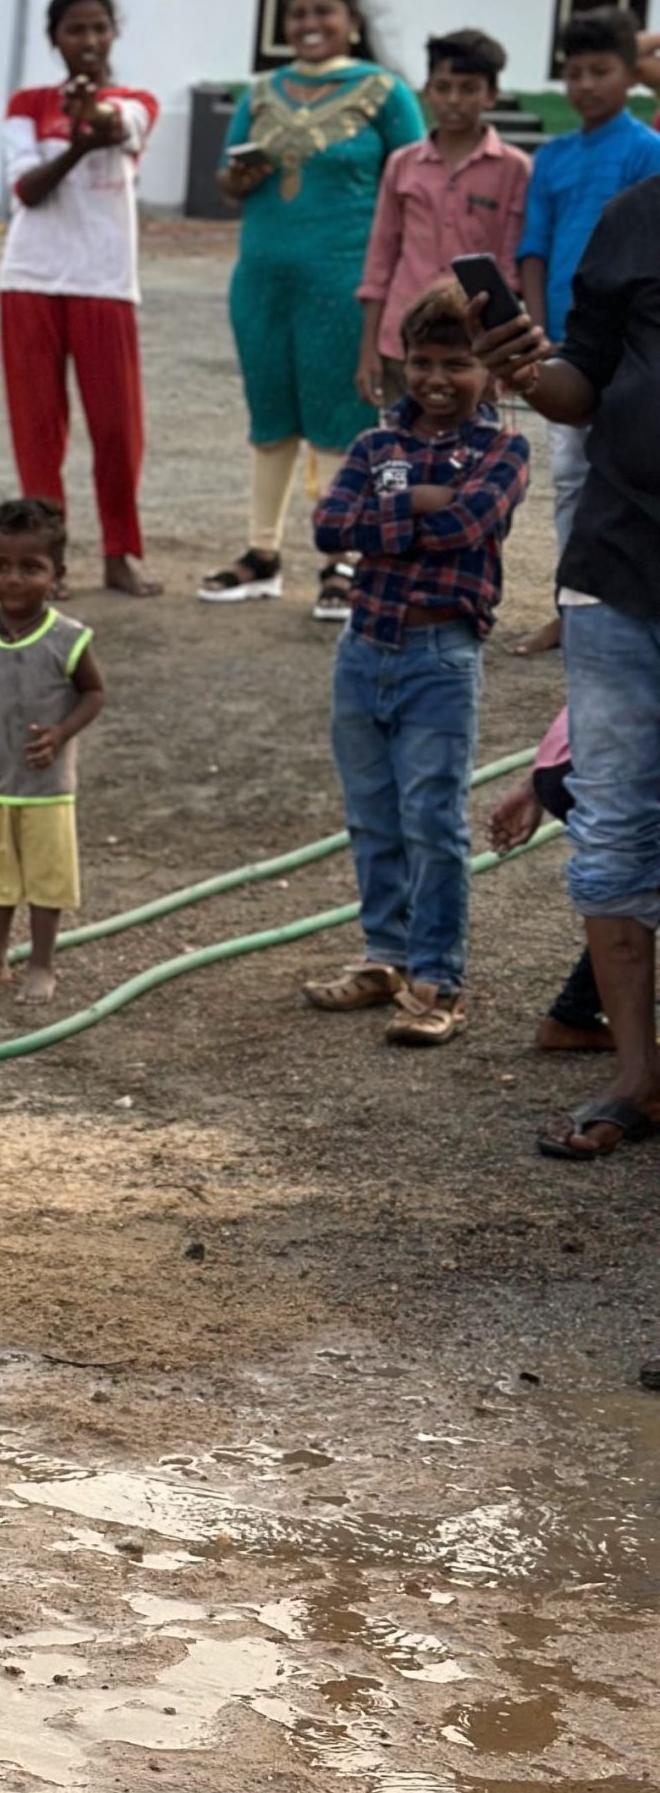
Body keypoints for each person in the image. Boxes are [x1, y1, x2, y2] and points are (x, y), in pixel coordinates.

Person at [473, 176, 660, 1157]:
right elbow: (580, 388)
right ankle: (636, 1074)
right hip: (618, 570)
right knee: (613, 828)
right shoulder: (633, 214)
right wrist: (524, 370)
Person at [303, 285, 528, 1047]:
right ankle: (384, 956)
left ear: (489, 372)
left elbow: (470, 524)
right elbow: (329, 527)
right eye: (423, 361)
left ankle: (439, 977)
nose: (437, 378)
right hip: (363, 648)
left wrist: (391, 521)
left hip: (442, 655)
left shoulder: (504, 448)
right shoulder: (373, 446)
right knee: (371, 814)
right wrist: (421, 504)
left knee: (433, 820)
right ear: (404, 363)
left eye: (457, 363)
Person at [204, 0, 426, 618]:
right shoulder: (262, 90)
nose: (309, 24)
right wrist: (241, 179)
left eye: (324, 12)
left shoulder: (385, 92)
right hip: (262, 279)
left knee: (342, 418)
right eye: (298, 13)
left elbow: (413, 178)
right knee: (270, 416)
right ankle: (262, 553)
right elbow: (225, 181)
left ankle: (345, 558)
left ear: (352, 22)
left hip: (346, 279)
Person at [0, 0, 163, 597]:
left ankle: (121, 553)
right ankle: (47, 559)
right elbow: (27, 190)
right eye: (75, 30)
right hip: (30, 279)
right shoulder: (27, 104)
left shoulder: (138, 101)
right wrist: (74, 145)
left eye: (99, 28)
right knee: (38, 428)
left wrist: (89, 118)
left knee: (118, 429)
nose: (89, 40)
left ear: (113, 33)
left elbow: (118, 127)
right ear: (55, 39)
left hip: (105, 281)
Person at [507, 5, 660, 658]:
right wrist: (537, 330)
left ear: (632, 77)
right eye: (574, 73)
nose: (586, 85)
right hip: (567, 344)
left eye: (601, 71)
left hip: (630, 343)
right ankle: (571, 604)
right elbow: (534, 247)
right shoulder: (553, 156)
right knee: (571, 477)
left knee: (621, 469)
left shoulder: (646, 153)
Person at [0, 497, 106, 1005]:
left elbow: (94, 692)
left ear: (56, 575)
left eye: (30, 568)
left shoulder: (68, 639)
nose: (13, 579)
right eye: (0, 565)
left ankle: (41, 965)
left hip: (45, 788)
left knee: (46, 883)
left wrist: (61, 733)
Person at [355, 29, 529, 409]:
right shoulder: (402, 165)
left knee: (467, 457)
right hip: (401, 342)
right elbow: (380, 258)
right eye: (443, 87)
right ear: (427, 90)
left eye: (468, 88)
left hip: (472, 347)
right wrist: (368, 350)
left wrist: (500, 355)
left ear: (491, 94)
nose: (454, 100)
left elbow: (509, 271)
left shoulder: (514, 169)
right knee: (402, 455)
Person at [485, 710, 617, 1054]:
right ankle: (574, 1016)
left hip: (567, 758)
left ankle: (574, 1015)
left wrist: (536, 781)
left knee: (634, 889)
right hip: (605, 761)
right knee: (634, 890)